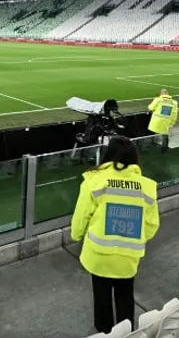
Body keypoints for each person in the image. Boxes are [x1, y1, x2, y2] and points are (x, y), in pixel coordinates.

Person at [71, 136, 160, 334]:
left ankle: (105, 332)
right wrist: (134, 237)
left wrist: (76, 235)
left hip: (99, 254)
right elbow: (152, 225)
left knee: (101, 297)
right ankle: (127, 332)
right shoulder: (146, 186)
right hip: (128, 257)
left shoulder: (94, 181)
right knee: (125, 295)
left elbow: (81, 215)